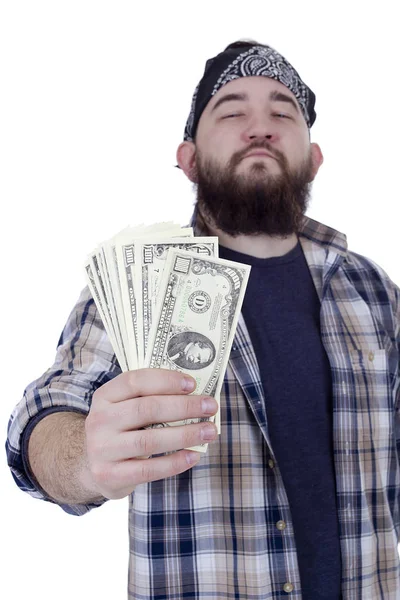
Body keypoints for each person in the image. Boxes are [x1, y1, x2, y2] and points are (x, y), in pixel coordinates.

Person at [5, 39, 400, 599]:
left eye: (283, 114)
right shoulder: (139, 282)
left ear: (314, 158)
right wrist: (86, 459)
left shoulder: (374, 291)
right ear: (188, 158)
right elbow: (42, 418)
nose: (259, 127)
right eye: (233, 111)